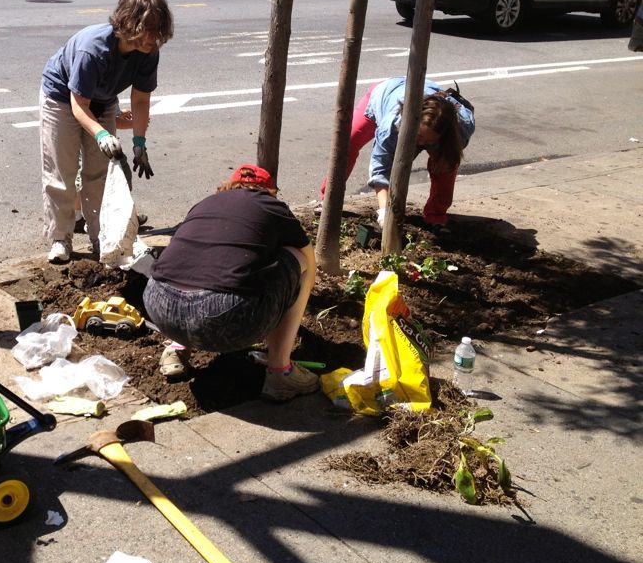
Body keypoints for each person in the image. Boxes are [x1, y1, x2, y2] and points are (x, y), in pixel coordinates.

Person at [143, 164, 318, 402]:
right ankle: (281, 372)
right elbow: (309, 257)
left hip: (158, 304)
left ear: (228, 186)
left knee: (200, 261)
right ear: (269, 191)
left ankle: (176, 349)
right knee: (298, 258)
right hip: (222, 315)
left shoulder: (205, 204)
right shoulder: (271, 206)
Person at [39, 0, 174, 264]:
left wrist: (139, 144)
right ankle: (60, 238)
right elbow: (78, 105)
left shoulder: (148, 52)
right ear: (129, 23)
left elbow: (140, 98)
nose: (155, 38)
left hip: (102, 98)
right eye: (150, 30)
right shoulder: (94, 49)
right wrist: (101, 133)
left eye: (159, 31)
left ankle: (100, 237)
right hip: (62, 96)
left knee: (99, 174)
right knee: (61, 170)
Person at [319, 76, 475, 229]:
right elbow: (381, 170)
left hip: (433, 106)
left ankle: (436, 216)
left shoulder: (461, 128)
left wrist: (435, 150)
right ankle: (329, 201)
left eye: (428, 141)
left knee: (445, 164)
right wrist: (384, 211)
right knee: (348, 144)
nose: (421, 144)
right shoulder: (391, 127)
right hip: (385, 94)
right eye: (418, 137)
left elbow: (449, 159)